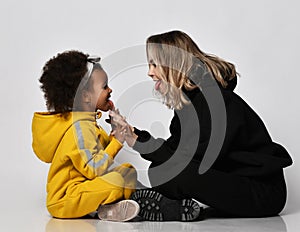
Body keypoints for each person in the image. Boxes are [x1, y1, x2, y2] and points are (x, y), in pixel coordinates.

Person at [110, 30, 293, 221]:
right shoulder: (190, 105)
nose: (150, 72)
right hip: (235, 182)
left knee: (171, 172)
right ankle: (175, 207)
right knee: (159, 170)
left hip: (262, 193)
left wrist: (136, 140)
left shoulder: (216, 103)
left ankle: (169, 205)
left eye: (155, 64)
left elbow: (189, 161)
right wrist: (132, 135)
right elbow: (175, 150)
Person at [31, 50, 140, 221]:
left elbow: (95, 154)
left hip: (84, 189)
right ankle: (114, 206)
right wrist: (117, 141)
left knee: (128, 171)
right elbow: (96, 169)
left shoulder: (86, 123)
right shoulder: (79, 127)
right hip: (66, 199)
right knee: (116, 180)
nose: (110, 90)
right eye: (104, 86)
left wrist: (114, 134)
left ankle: (114, 208)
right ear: (86, 96)